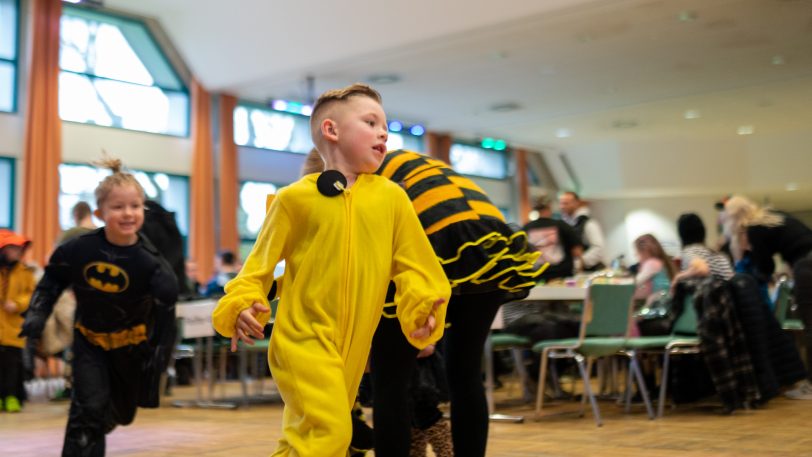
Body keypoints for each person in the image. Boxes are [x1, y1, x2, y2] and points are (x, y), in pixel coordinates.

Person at [211, 83, 450, 456]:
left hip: (354, 344)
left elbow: (416, 266)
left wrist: (420, 309)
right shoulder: (294, 200)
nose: (383, 132)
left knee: (309, 439)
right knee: (331, 432)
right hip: (301, 338)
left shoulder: (392, 199)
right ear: (331, 130)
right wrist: (242, 303)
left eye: (384, 125)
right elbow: (256, 269)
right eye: (370, 122)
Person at [301, 147, 543, 456]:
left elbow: (363, 244)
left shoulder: (351, 171)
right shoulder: (401, 160)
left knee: (390, 380)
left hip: (436, 240)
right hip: (487, 243)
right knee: (465, 374)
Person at [20, 157, 179, 456]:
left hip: (131, 349)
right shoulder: (79, 249)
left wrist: (157, 359)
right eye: (117, 207)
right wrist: (36, 317)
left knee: (121, 413)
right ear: (99, 212)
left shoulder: (153, 265)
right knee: (89, 408)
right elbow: (51, 281)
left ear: (142, 209)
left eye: (134, 206)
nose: (127, 213)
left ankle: (89, 428)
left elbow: (166, 318)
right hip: (89, 342)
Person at [723, 195, 812, 400]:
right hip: (806, 262)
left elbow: (765, 266)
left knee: (810, 326)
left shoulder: (755, 227)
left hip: (807, 267)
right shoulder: (772, 216)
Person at [0, 230, 35, 412]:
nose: (16, 252)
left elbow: (31, 295)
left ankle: (13, 396)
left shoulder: (25, 272)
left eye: (19, 249)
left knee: (13, 364)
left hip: (14, 327)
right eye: (12, 248)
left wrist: (17, 304)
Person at [523, 198, 582, 280]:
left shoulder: (527, 228)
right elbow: (577, 252)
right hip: (561, 275)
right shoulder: (561, 225)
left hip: (537, 276)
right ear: (549, 207)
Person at [672, 212, 734, 285]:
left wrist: (678, 277)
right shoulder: (720, 257)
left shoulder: (689, 252)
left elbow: (701, 269)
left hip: (709, 295)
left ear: (681, 235)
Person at [558, 191, 606, 272]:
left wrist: (579, 263)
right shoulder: (563, 224)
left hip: (589, 271)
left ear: (576, 203)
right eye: (561, 203)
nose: (562, 206)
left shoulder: (589, 223)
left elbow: (598, 249)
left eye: (566, 203)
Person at [632, 234, 675, 302]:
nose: (635, 254)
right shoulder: (659, 262)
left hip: (659, 304)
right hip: (665, 301)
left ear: (644, 251)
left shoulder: (652, 264)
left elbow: (634, 283)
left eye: (637, 252)